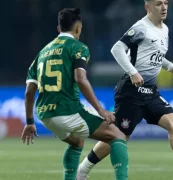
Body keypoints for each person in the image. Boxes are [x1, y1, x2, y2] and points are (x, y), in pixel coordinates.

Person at [77, 0, 173, 180]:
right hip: (131, 92)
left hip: (150, 92)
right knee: (119, 137)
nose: (164, 7)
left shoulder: (164, 29)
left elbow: (156, 56)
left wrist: (171, 67)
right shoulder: (141, 28)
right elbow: (117, 49)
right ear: (148, 7)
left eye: (166, 3)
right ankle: (81, 172)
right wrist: (133, 72)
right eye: (158, 3)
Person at [21, 8, 128, 180]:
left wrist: (29, 122)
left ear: (58, 29)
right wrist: (101, 110)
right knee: (118, 136)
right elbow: (81, 79)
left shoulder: (41, 54)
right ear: (78, 28)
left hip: (44, 114)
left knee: (77, 141)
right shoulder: (78, 47)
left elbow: (28, 93)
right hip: (67, 110)